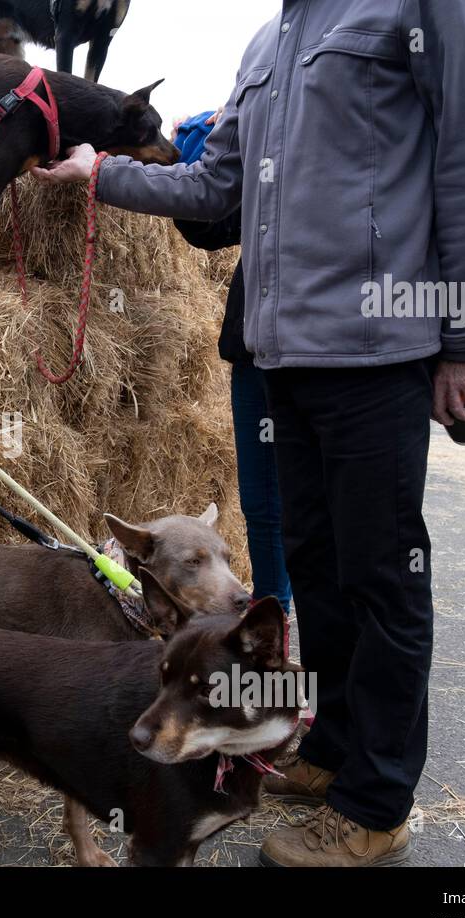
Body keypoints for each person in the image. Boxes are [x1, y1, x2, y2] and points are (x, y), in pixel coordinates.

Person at [35, 0, 465, 866]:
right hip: (282, 358)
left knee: (382, 580)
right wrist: (101, 172)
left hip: (380, 348)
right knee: (317, 568)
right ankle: (332, 751)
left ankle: (376, 806)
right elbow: (216, 188)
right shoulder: (269, 40)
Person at [173, 114, 293, 618]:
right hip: (256, 347)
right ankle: (273, 623)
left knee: (332, 510)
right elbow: (210, 222)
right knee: (263, 505)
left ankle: (343, 651)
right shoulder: (265, 129)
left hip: (343, 350)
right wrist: (196, 138)